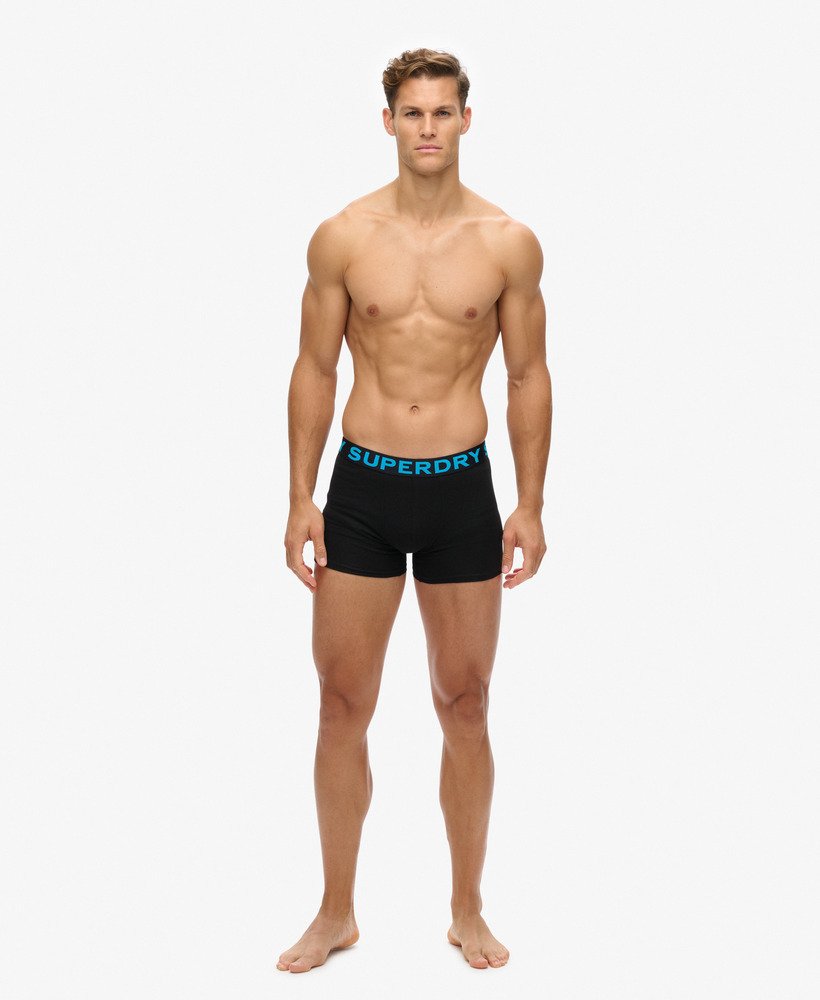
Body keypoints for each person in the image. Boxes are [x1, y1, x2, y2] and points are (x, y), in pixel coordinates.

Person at [280, 47, 552, 973]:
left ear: (466, 120)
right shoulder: (343, 237)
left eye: (442, 112)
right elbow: (315, 368)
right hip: (361, 490)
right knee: (340, 704)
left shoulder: (507, 242)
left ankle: (467, 909)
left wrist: (531, 503)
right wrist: (300, 497)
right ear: (388, 122)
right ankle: (336, 912)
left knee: (465, 704)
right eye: (412, 112)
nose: (427, 127)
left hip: (461, 492)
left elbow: (527, 377)